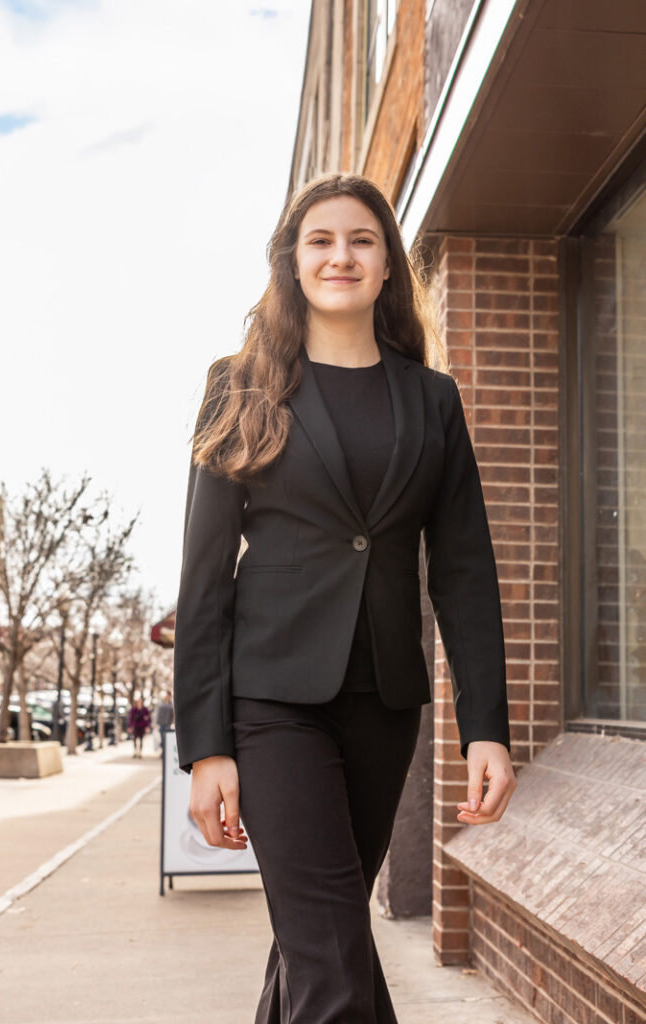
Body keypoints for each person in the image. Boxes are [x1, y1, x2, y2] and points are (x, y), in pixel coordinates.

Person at [173, 172, 517, 1023]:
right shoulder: (239, 385)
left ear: (389, 266)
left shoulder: (430, 399)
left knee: (316, 943)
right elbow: (204, 580)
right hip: (270, 702)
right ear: (291, 262)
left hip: (384, 701)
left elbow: (464, 570)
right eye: (319, 240)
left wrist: (485, 727)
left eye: (361, 240)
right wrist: (205, 746)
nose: (340, 256)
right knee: (330, 961)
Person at [155, 690, 175, 757]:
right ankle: (163, 752)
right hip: (161, 723)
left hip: (168, 724)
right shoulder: (161, 703)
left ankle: (165, 752)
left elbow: (172, 714)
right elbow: (158, 714)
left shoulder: (171, 704)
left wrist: (172, 722)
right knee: (162, 739)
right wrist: (156, 723)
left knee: (166, 739)